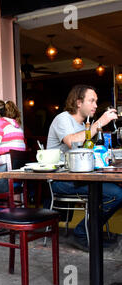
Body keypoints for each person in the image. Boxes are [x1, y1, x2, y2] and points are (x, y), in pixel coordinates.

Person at [47, 84, 122, 251]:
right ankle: (82, 233)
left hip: (79, 177)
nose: (96, 105)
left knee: (115, 190)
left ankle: (91, 232)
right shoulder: (63, 119)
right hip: (60, 179)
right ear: (79, 102)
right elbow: (73, 142)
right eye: (92, 101)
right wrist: (100, 123)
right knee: (116, 194)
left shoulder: (84, 126)